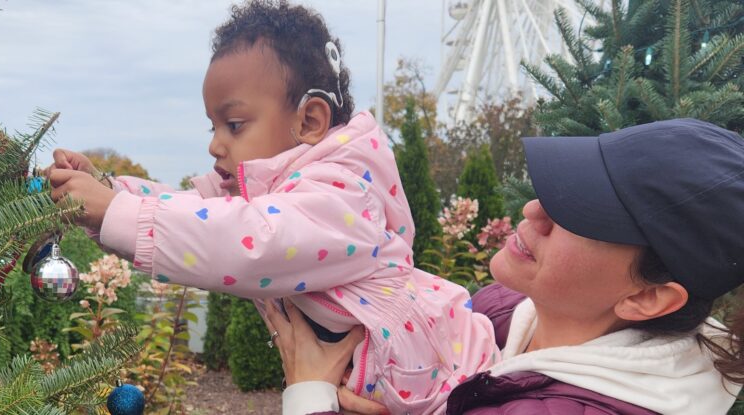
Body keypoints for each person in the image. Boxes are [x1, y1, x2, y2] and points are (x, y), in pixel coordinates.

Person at [45, 1, 498, 413]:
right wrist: (106, 192)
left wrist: (112, 210)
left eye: (234, 124)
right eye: (213, 125)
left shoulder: (343, 196)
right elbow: (194, 211)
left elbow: (244, 241)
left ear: (310, 121)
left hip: (447, 391)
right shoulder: (270, 196)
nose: (215, 144)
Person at [271, 118, 744, 414]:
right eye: (563, 189)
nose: (535, 212)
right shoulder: (513, 311)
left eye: (579, 216)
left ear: (646, 297)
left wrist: (310, 395)